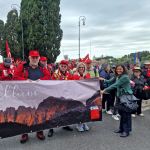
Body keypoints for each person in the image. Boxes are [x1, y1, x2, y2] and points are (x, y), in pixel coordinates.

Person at [13, 51, 51, 143]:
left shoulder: (42, 67)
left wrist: (40, 80)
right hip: (25, 95)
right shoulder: (22, 66)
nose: (34, 59)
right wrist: (26, 80)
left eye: (36, 58)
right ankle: (24, 133)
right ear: (29, 58)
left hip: (39, 94)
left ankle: (39, 131)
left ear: (38, 58)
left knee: (39, 112)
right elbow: (15, 77)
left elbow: (48, 76)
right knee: (25, 113)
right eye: (32, 57)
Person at [100, 63, 133, 137]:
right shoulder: (117, 76)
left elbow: (115, 85)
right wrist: (102, 79)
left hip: (126, 96)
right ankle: (121, 128)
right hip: (119, 96)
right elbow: (110, 81)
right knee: (121, 113)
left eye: (120, 69)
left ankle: (126, 130)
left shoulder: (124, 77)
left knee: (126, 114)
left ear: (123, 69)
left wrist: (104, 90)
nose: (118, 70)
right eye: (117, 69)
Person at [51, 60, 73, 132]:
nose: (63, 67)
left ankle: (65, 125)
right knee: (54, 112)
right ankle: (51, 129)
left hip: (65, 95)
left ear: (67, 67)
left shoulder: (68, 73)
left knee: (66, 110)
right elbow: (53, 84)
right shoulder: (55, 73)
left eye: (65, 66)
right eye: (62, 66)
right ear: (59, 66)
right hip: (57, 95)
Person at [72, 62, 91, 131]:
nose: (81, 68)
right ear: (77, 68)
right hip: (78, 95)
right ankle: (79, 124)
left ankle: (85, 122)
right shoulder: (74, 76)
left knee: (86, 109)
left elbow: (90, 84)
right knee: (79, 109)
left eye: (82, 67)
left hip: (86, 94)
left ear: (84, 68)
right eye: (79, 67)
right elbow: (72, 86)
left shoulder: (88, 75)